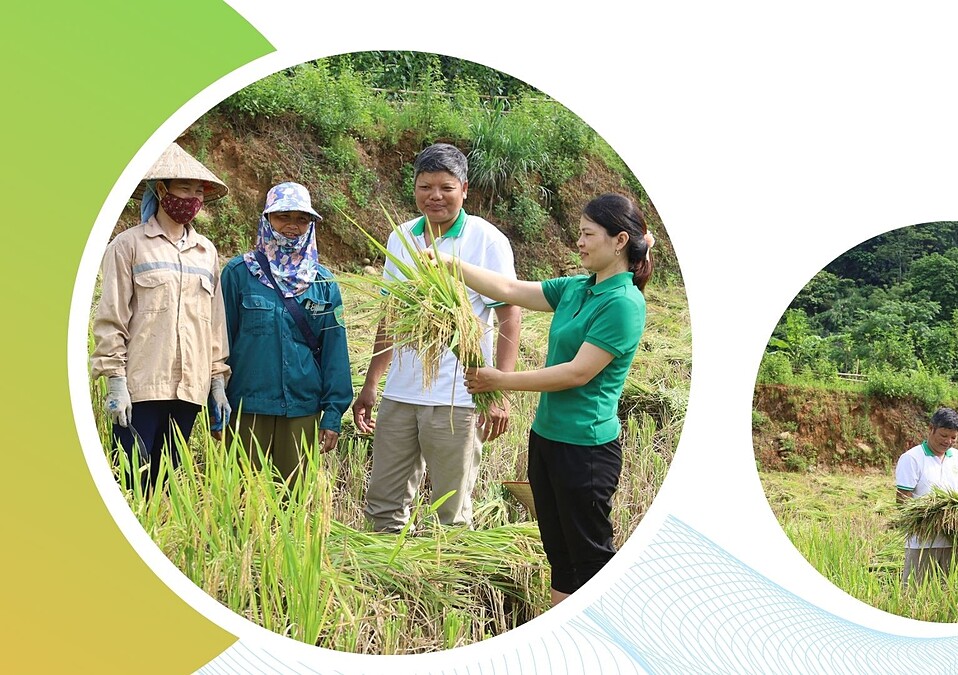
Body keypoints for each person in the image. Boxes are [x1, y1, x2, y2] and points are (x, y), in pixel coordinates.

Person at [436, 192, 653, 607]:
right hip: (547, 439)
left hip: (586, 450)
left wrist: (502, 380)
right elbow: (509, 289)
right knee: (559, 553)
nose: (579, 242)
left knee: (591, 558)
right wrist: (450, 265)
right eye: (580, 233)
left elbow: (577, 372)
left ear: (620, 240)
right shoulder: (576, 289)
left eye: (588, 234)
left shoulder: (624, 303)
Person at [353, 143, 521, 531]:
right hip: (400, 395)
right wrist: (372, 383)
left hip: (457, 397)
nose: (435, 196)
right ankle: (387, 567)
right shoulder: (401, 237)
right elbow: (390, 316)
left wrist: (500, 390)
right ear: (414, 188)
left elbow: (510, 316)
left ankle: (449, 570)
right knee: (383, 506)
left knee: (451, 513)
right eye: (425, 187)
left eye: (446, 187)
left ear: (464, 189)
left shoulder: (485, 240)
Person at [91, 142, 232, 492]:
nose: (193, 198)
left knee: (166, 486)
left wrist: (217, 382)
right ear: (161, 190)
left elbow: (214, 324)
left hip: (189, 390)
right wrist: (115, 383)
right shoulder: (128, 246)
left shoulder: (206, 252)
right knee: (130, 483)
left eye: (199, 191)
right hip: (140, 388)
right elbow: (111, 319)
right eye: (185, 188)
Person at [218, 182, 353, 482]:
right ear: (267, 219)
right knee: (242, 497)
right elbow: (219, 344)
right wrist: (216, 401)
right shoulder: (238, 274)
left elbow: (335, 353)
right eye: (283, 217)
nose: (292, 226)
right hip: (247, 409)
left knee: (294, 499)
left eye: (302, 219)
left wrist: (333, 413)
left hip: (301, 410)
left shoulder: (323, 283)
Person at [895, 407, 958, 585]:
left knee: (950, 590)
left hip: (953, 540)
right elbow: (902, 500)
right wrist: (929, 518)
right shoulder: (912, 458)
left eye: (953, 437)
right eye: (943, 435)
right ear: (931, 428)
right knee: (915, 590)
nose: (948, 441)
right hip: (922, 542)